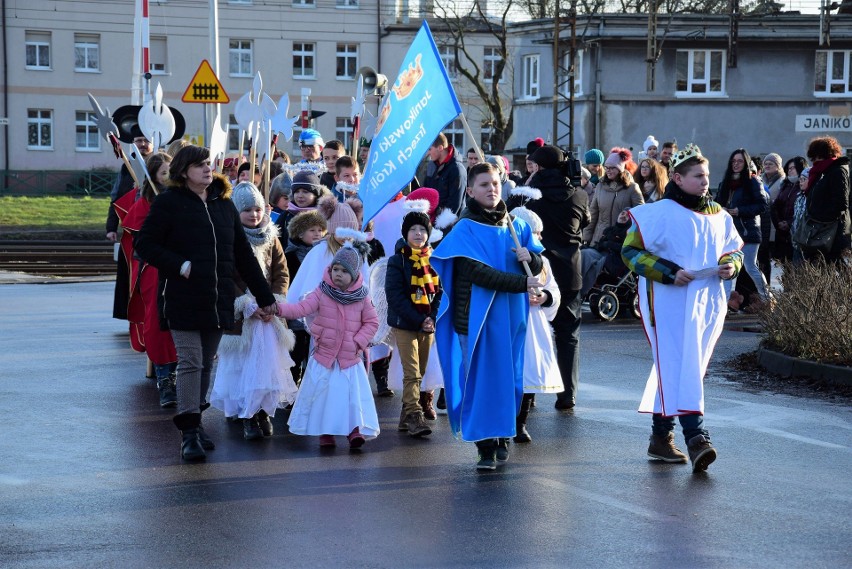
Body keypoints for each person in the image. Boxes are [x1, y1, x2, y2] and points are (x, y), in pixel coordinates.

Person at [135, 145, 278, 462]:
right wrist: (181, 265)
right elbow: (144, 244)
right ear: (184, 171)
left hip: (218, 300)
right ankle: (188, 434)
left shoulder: (223, 205)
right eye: (199, 165)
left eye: (208, 164)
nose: (207, 169)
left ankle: (196, 423)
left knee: (206, 365)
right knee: (190, 362)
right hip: (182, 298)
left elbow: (243, 255)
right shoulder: (169, 203)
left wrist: (265, 297)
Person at [621, 143, 744, 473]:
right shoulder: (658, 213)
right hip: (668, 303)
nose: (705, 181)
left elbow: (734, 250)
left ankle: (661, 438)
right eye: (698, 176)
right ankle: (696, 437)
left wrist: (731, 264)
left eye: (706, 175)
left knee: (684, 365)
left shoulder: (718, 214)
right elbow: (631, 253)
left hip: (707, 304)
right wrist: (669, 272)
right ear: (677, 177)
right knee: (682, 364)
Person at [431, 162, 544, 470]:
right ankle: (484, 445)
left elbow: (535, 265)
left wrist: (531, 259)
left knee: (507, 378)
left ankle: (503, 436)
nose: (491, 188)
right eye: (484, 184)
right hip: (475, 321)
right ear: (470, 191)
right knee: (480, 380)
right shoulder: (464, 229)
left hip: (510, 317)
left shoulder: (516, 226)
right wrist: (523, 282)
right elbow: (479, 274)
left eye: (495, 183)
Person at [210, 182, 297, 440]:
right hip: (242, 316)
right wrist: (245, 303)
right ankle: (245, 413)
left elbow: (281, 272)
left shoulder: (271, 236)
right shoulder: (227, 238)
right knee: (242, 366)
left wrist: (275, 300)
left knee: (265, 366)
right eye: (246, 209)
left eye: (258, 209)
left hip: (268, 314)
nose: (254, 214)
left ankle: (262, 411)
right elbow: (224, 275)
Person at [276, 239, 380, 449]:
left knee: (350, 398)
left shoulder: (362, 296)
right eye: (335, 269)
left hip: (350, 358)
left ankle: (353, 431)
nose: (338, 274)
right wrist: (278, 309)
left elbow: (372, 322)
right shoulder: (322, 291)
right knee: (325, 396)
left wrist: (358, 341)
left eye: (344, 270)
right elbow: (301, 309)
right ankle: (326, 433)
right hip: (325, 356)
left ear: (355, 274)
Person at [520, 145, 590, 410]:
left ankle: (531, 391)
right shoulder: (579, 195)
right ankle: (567, 394)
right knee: (568, 333)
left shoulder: (526, 197)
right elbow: (585, 222)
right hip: (569, 272)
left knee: (533, 332)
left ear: (536, 167)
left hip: (535, 272)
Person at [121, 152, 178, 408]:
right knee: (158, 322)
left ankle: (184, 376)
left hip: (184, 269)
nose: (168, 177)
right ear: (153, 175)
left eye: (171, 171)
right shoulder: (145, 204)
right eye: (164, 173)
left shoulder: (185, 197)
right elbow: (139, 242)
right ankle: (165, 377)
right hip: (155, 270)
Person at [385, 201, 443, 437]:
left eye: (422, 230)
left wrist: (431, 317)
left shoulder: (434, 259)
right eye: (413, 230)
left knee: (420, 370)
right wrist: (419, 320)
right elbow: (395, 296)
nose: (418, 234)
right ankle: (415, 416)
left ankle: (405, 416)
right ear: (405, 233)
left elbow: (439, 292)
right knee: (412, 372)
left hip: (427, 325)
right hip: (405, 324)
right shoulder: (397, 260)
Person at [508, 205, 562, 443]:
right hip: (511, 321)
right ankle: (505, 422)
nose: (539, 237)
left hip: (534, 323)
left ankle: (521, 423)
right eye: (535, 233)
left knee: (530, 373)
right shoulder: (505, 257)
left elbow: (552, 288)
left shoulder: (542, 261)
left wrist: (544, 297)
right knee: (510, 374)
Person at [107, 126, 153, 321]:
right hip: (131, 229)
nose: (142, 144)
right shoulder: (128, 165)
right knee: (129, 273)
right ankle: (131, 315)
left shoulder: (161, 164)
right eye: (138, 140)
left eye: (146, 140)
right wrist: (111, 227)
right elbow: (117, 196)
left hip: (152, 228)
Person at [715, 148, 770, 305]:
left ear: (745, 163)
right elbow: (717, 203)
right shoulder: (725, 183)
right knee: (727, 266)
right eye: (734, 161)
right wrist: (722, 209)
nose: (736, 164)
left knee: (750, 267)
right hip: (728, 232)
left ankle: (767, 298)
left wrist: (740, 211)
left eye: (739, 161)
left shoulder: (753, 181)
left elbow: (762, 205)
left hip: (748, 231)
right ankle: (723, 303)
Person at [284, 210, 328, 387]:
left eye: (320, 229)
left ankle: (309, 387)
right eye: (312, 230)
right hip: (296, 312)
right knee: (296, 352)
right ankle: (293, 385)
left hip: (318, 313)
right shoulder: (290, 256)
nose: (317, 233)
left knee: (314, 353)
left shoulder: (325, 254)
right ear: (300, 233)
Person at [797, 136, 851, 263]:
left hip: (831, 231)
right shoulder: (820, 172)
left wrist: (819, 218)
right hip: (818, 229)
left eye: (817, 156)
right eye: (813, 157)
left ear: (825, 155)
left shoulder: (837, 171)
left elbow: (841, 203)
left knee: (833, 265)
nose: (815, 160)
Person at [584, 148, 644, 246]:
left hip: (622, 240)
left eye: (612, 168)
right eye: (606, 167)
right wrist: (586, 237)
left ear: (620, 168)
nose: (608, 170)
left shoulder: (632, 188)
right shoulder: (600, 186)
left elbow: (641, 216)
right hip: (599, 238)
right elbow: (593, 213)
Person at [771, 156, 808, 262]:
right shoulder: (784, 186)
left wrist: (789, 223)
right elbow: (775, 206)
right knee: (785, 266)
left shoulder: (804, 187)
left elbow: (803, 211)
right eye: (788, 168)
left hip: (796, 234)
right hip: (782, 234)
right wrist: (778, 222)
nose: (790, 171)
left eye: (793, 168)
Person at [423, 133, 467, 215]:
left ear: (440, 148)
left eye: (429, 149)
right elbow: (425, 192)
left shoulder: (457, 169)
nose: (427, 153)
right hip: (433, 220)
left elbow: (454, 205)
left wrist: (439, 224)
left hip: (451, 223)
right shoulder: (432, 166)